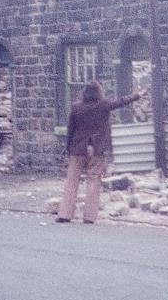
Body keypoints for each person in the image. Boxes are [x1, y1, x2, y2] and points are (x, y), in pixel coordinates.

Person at [57, 81, 146, 224]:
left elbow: (70, 131)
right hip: (96, 150)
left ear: (84, 93)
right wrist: (137, 95)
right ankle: (89, 217)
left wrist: (68, 149)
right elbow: (120, 102)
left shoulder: (76, 108)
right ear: (99, 92)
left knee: (72, 181)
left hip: (77, 149)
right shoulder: (103, 106)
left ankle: (65, 214)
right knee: (93, 182)